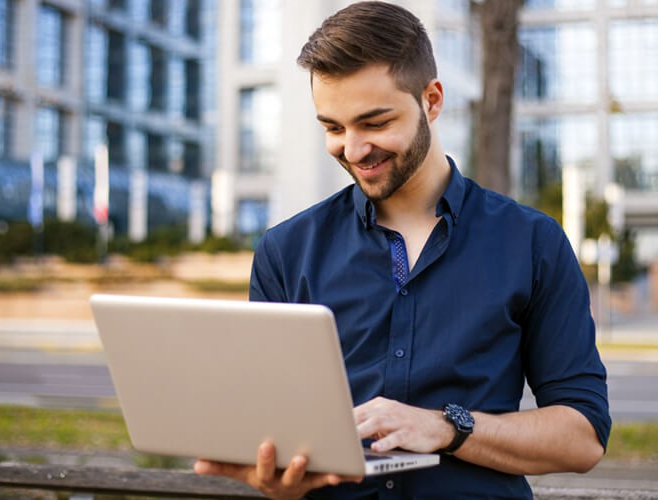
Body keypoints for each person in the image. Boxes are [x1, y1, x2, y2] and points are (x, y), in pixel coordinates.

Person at [195, 2, 610, 498]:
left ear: (431, 101)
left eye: (374, 123)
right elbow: (272, 428)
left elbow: (582, 438)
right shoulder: (286, 251)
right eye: (333, 127)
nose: (352, 149)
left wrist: (448, 427)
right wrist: (276, 479)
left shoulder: (532, 243)